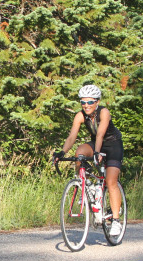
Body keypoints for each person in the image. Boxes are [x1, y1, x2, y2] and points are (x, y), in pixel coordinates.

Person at [54, 85, 123, 236]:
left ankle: (116, 221)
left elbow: (100, 135)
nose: (86, 106)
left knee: (111, 181)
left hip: (112, 145)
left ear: (97, 102)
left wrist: (98, 152)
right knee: (79, 153)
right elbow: (72, 137)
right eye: (83, 102)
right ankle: (86, 184)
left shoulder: (104, 112)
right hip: (95, 144)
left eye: (90, 102)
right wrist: (61, 152)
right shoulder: (80, 115)